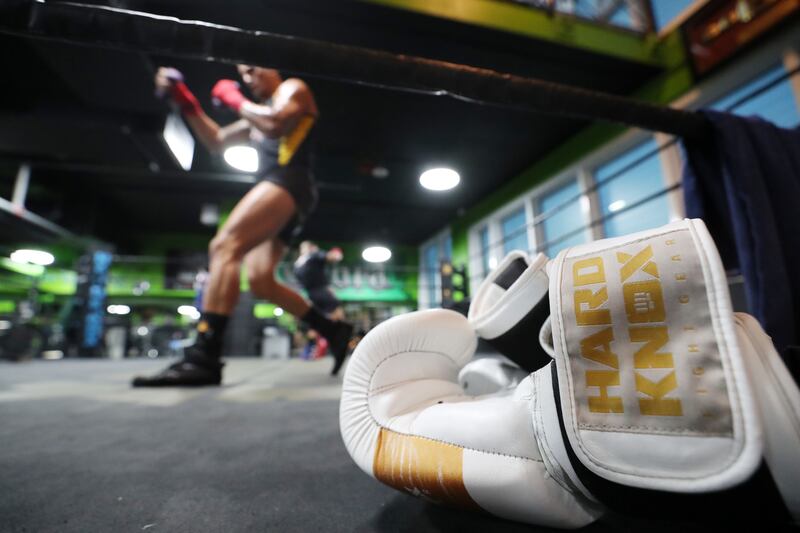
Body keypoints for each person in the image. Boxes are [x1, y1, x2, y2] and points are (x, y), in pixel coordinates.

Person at [132, 65, 353, 386]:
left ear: (271, 67)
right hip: (281, 188)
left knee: (224, 247)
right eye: (242, 75)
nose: (247, 79)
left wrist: (233, 98)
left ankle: (204, 357)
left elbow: (275, 124)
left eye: (251, 71)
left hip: (287, 180)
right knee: (262, 281)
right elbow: (217, 141)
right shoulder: (256, 115)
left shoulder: (293, 87)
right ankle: (333, 329)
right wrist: (186, 101)